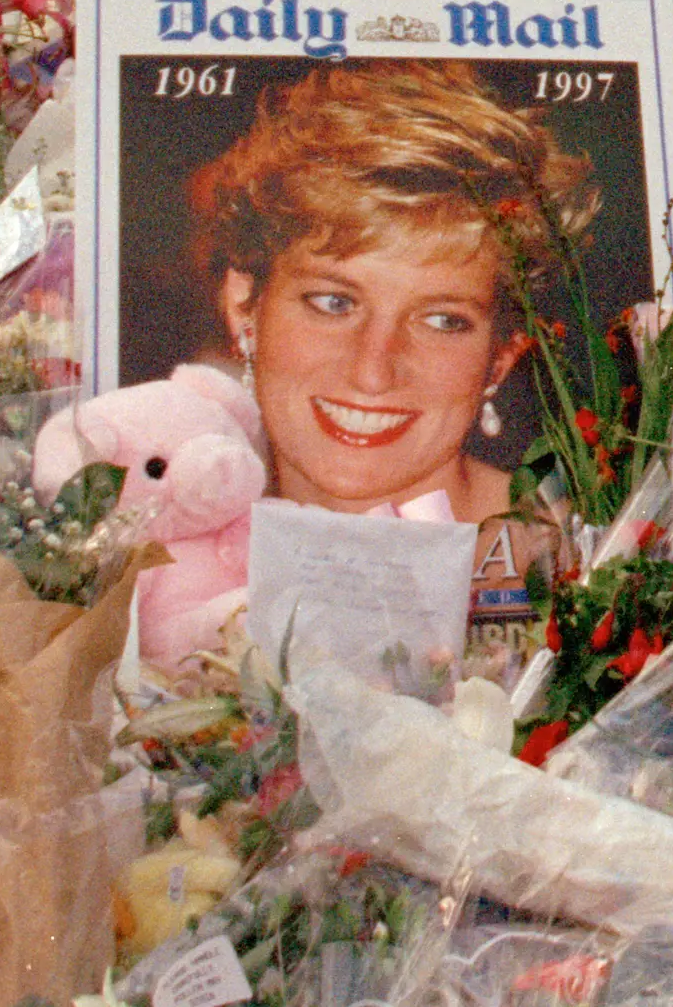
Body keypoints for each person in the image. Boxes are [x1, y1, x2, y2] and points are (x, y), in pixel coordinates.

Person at [182, 63, 578, 617]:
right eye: (334, 303)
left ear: (500, 359)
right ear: (244, 305)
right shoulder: (162, 552)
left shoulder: (579, 569)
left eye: (442, 320)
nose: (374, 370)